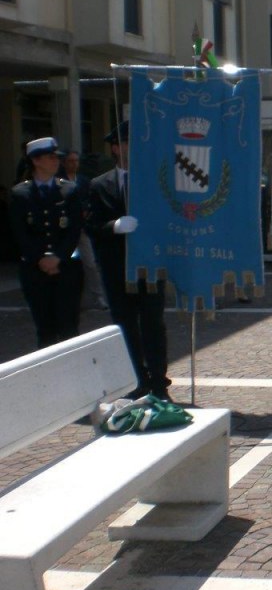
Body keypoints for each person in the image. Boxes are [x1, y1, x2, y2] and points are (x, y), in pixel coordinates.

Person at [87, 121, 171, 400]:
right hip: (116, 266)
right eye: (126, 143)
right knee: (125, 326)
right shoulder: (99, 185)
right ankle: (137, 380)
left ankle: (159, 382)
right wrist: (114, 226)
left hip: (149, 265)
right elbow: (91, 225)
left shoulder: (155, 180)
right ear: (115, 148)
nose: (132, 148)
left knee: (153, 324)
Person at [9, 137, 85, 348]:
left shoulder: (69, 190)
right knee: (45, 330)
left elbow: (74, 230)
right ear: (36, 161)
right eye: (50, 157)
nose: (56, 162)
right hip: (35, 269)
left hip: (66, 268)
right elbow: (19, 233)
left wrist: (57, 257)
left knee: (69, 327)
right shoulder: (20, 193)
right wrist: (40, 259)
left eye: (57, 158)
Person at [63, 149, 108, 310]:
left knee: (90, 263)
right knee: (66, 265)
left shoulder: (83, 181)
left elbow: (91, 199)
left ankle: (98, 296)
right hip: (63, 229)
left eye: (76, 161)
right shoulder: (58, 181)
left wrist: (87, 211)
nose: (74, 164)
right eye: (70, 161)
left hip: (81, 227)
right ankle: (69, 297)